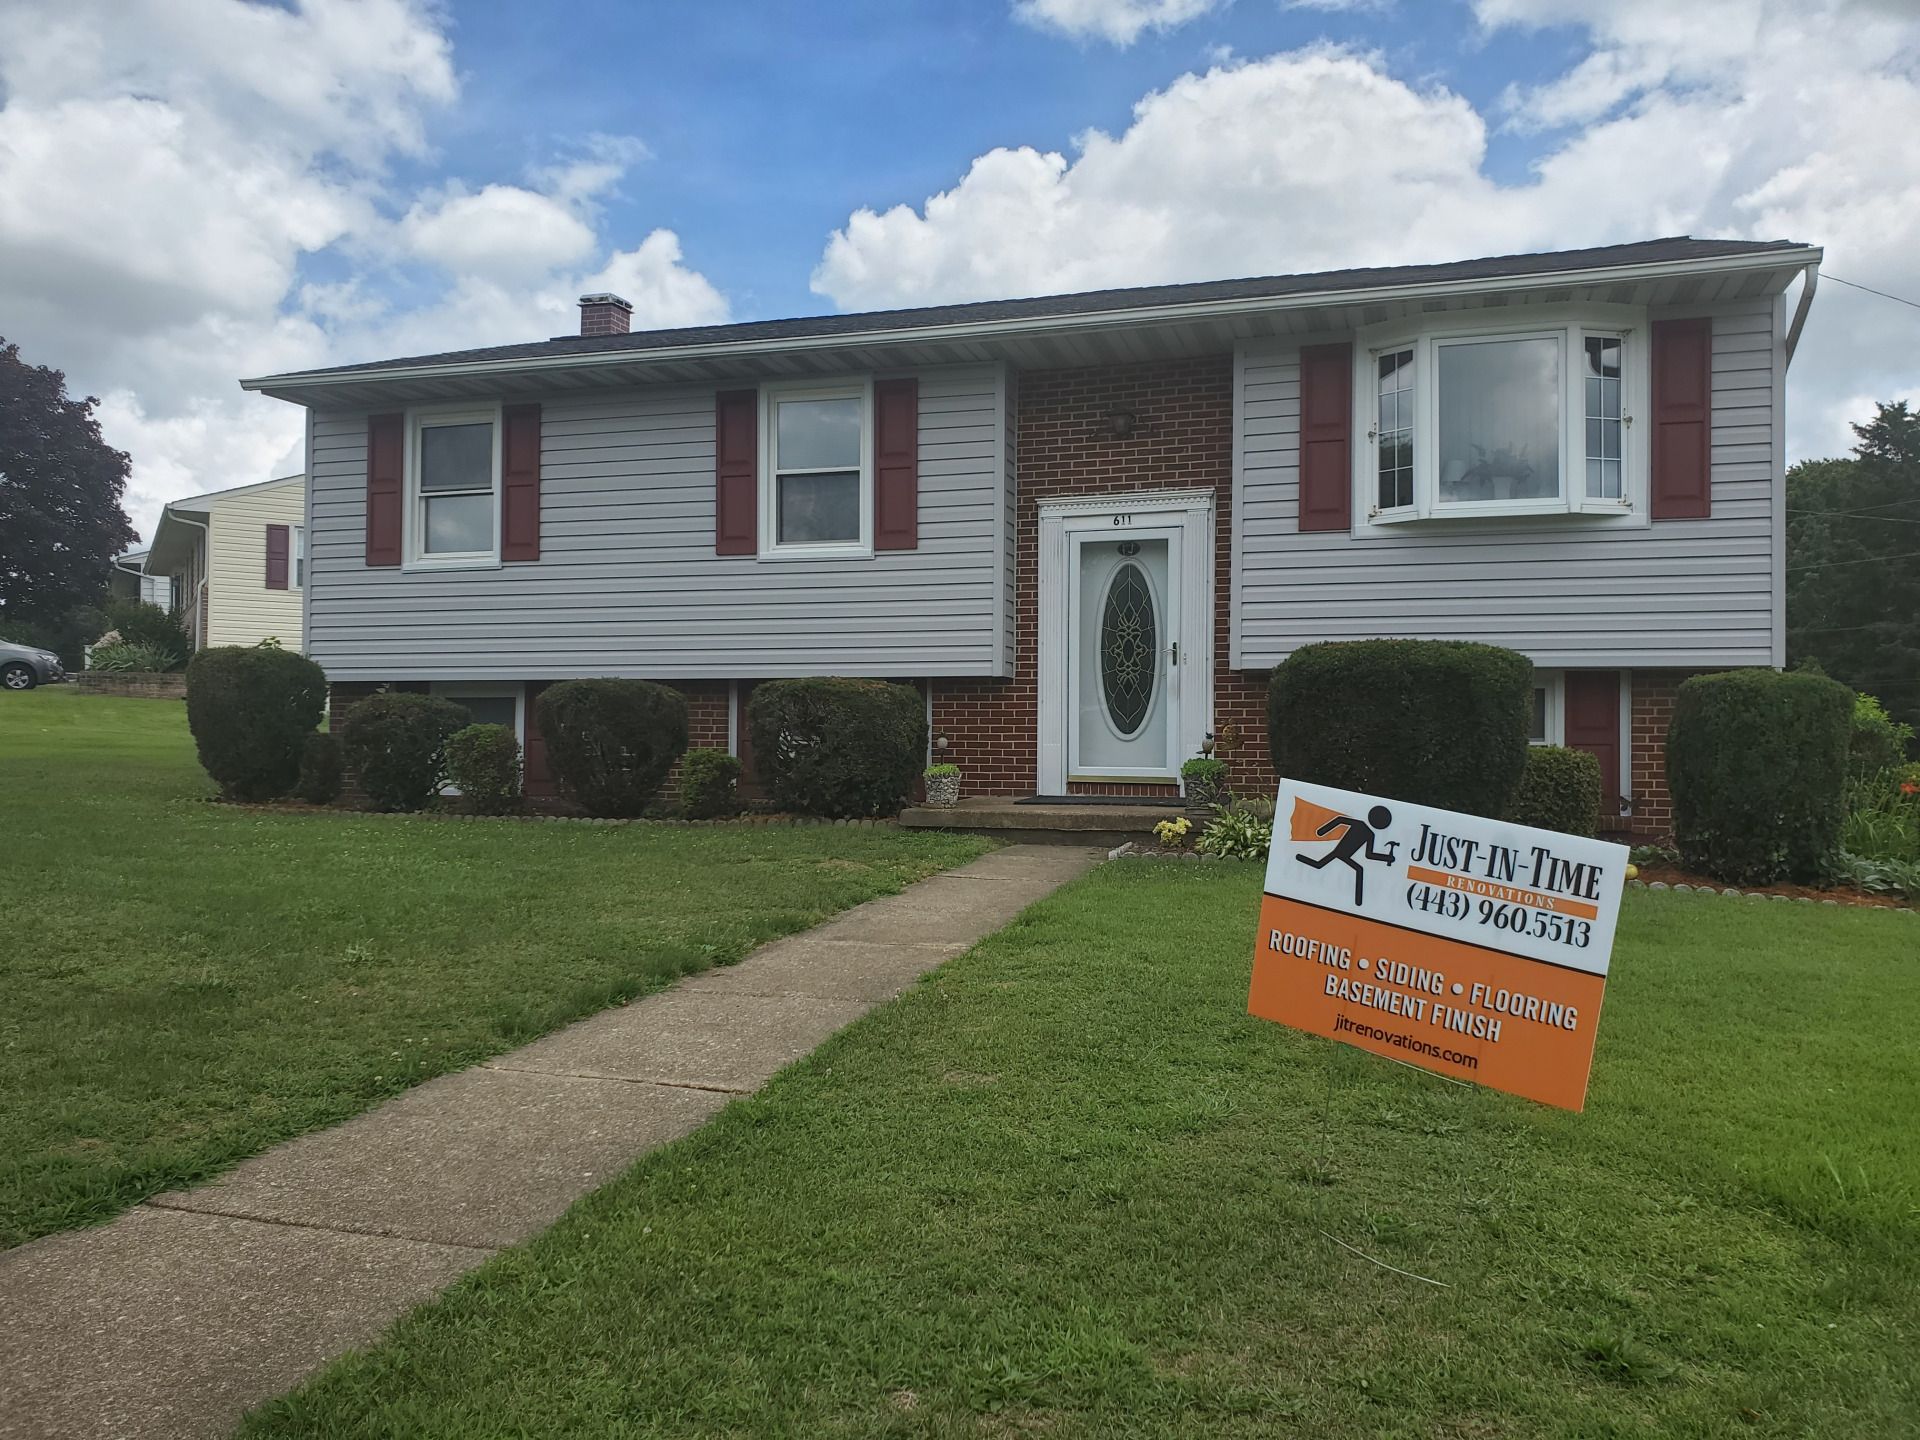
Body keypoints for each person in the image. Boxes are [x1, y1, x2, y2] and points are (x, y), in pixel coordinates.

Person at [1296, 805, 1398, 906]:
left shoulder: (1369, 833)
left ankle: (1358, 902)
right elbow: (1340, 820)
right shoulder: (1364, 828)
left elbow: (1368, 855)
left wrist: (1387, 858)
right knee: (1320, 865)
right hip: (1340, 852)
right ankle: (1298, 857)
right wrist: (1322, 831)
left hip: (1345, 855)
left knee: (1357, 869)